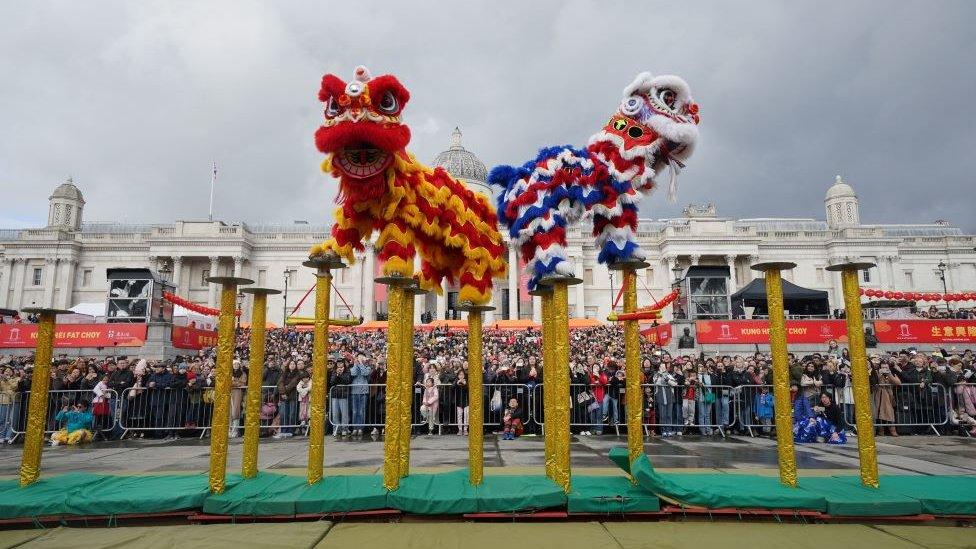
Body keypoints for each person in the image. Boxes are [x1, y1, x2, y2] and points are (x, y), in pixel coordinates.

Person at [349, 354, 372, 436]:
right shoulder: (353, 366)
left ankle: (361, 428)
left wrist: (361, 364)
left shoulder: (368, 367)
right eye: (359, 357)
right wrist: (356, 364)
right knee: (355, 411)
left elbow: (365, 373)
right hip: (354, 392)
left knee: (361, 411)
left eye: (361, 357)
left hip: (363, 392)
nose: (360, 359)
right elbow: (353, 373)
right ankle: (355, 428)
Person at [329, 362, 352, 436]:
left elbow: (347, 381)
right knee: (335, 413)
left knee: (344, 413)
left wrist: (341, 375)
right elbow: (332, 382)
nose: (339, 365)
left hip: (343, 394)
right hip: (335, 395)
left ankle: (344, 428)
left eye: (341, 363)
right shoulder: (334, 371)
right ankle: (336, 429)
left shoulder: (347, 371)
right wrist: (337, 374)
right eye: (338, 363)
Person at [455, 369, 469, 436]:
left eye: (462, 374)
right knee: (459, 415)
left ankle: (465, 429)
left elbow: (468, 390)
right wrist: (457, 383)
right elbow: (452, 388)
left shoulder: (467, 381)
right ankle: (460, 429)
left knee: (466, 415)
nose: (461, 376)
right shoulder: (456, 381)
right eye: (460, 374)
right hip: (458, 401)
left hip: (466, 401)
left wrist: (465, 384)